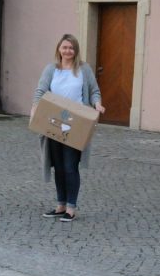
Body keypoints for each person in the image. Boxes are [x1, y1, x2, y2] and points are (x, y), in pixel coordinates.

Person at [32, 34, 105, 223]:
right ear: (59, 49)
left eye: (71, 48)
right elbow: (40, 92)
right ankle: (60, 205)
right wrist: (34, 110)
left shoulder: (84, 69)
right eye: (64, 47)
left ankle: (71, 208)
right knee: (59, 168)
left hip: (76, 124)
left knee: (70, 166)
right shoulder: (51, 69)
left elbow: (94, 91)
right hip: (54, 123)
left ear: (76, 50)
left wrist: (97, 104)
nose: (68, 51)